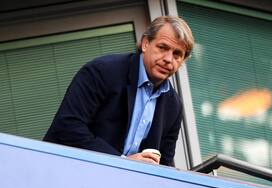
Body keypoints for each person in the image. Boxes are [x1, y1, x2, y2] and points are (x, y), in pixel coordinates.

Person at [43, 16, 194, 166]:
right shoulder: (102, 71)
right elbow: (68, 126)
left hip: (121, 187)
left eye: (177, 54)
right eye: (163, 48)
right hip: (66, 173)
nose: (168, 59)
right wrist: (122, 163)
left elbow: (165, 164)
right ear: (145, 44)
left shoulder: (174, 106)